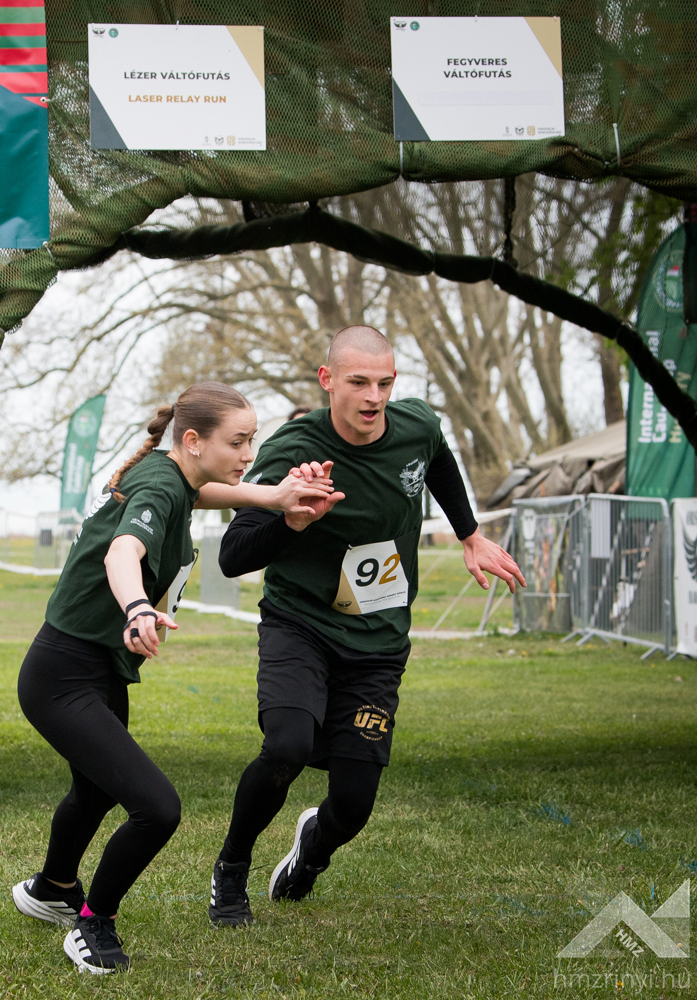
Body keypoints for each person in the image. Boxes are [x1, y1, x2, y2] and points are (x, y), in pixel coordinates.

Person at [10, 382, 337, 974]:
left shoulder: (175, 477)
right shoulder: (162, 486)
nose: (248, 453)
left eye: (252, 440)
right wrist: (137, 607)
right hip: (62, 676)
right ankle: (92, 925)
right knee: (157, 808)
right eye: (237, 442)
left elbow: (209, 491)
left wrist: (276, 496)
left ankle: (53, 888)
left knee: (96, 791)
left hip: (94, 669)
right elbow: (121, 552)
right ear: (193, 440)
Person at [206, 325, 524, 928]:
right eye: (358, 382)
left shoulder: (417, 425)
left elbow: (438, 459)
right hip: (300, 624)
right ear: (328, 380)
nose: (373, 397)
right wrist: (291, 521)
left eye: (384, 383)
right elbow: (233, 556)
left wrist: (470, 534)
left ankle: (311, 850)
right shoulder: (294, 448)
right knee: (287, 747)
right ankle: (232, 867)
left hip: (377, 641)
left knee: (353, 804)